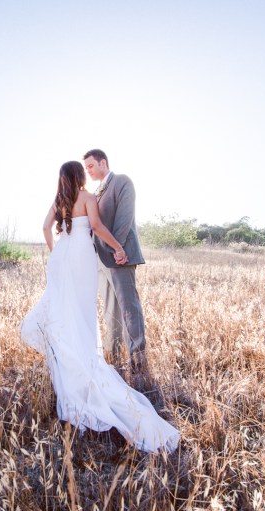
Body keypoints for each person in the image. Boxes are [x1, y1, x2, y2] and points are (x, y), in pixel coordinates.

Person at [20, 161, 179, 453]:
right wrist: (118, 247)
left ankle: (68, 365)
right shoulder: (87, 198)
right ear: (79, 177)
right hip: (81, 256)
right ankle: (83, 358)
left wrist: (56, 250)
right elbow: (95, 226)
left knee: (63, 313)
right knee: (81, 313)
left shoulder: (60, 200)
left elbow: (45, 227)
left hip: (62, 257)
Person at [83, 149, 152, 393]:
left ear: (103, 162)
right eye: (86, 168)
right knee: (110, 310)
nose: (88, 171)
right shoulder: (95, 192)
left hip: (120, 256)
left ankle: (138, 362)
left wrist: (119, 249)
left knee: (129, 308)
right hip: (102, 260)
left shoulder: (122, 181)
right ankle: (113, 358)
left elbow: (124, 218)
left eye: (91, 166)